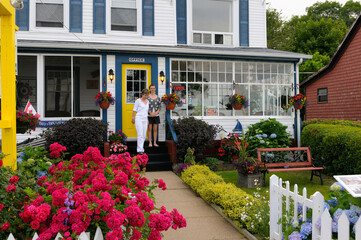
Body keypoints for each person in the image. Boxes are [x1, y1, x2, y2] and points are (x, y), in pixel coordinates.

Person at [132, 89, 149, 154]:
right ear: (142, 94)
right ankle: (139, 150)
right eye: (145, 95)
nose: (146, 97)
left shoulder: (147, 101)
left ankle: (142, 148)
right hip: (139, 118)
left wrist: (147, 120)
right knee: (140, 134)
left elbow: (146, 111)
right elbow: (134, 110)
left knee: (144, 135)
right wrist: (133, 118)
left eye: (147, 95)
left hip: (145, 119)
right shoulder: (138, 101)